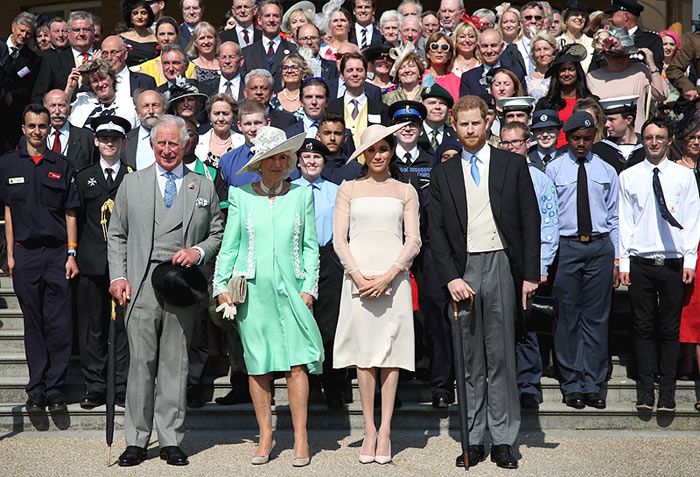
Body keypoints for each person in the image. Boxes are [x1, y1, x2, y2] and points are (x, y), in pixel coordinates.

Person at [428, 95, 540, 469]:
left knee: (502, 357)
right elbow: (437, 232)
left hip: (502, 263)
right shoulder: (443, 173)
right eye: (464, 124)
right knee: (468, 359)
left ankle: (505, 439)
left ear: (488, 122)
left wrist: (528, 275)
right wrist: (451, 278)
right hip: (463, 270)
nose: (470, 130)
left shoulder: (511, 164)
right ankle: (473, 439)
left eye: (476, 123)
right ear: (454, 127)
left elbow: (530, 220)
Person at [108, 114, 223, 467]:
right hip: (141, 284)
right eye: (162, 143)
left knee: (176, 363)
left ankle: (171, 439)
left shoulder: (201, 186)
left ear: (186, 144)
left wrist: (198, 251)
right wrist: (117, 277)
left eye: (175, 143)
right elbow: (117, 234)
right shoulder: (132, 184)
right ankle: (137, 440)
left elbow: (217, 233)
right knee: (141, 364)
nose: (168, 150)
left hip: (182, 286)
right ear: (152, 144)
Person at [214, 127, 322, 467]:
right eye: (270, 158)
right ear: (258, 164)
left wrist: (309, 287)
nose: (277, 164)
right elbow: (229, 245)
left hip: (293, 288)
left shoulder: (301, 195)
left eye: (282, 157)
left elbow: (309, 247)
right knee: (258, 366)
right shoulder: (241, 195)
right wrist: (220, 288)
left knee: (296, 363)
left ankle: (301, 435)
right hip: (253, 292)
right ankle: (265, 435)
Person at [333, 122, 421, 465]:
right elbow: (340, 239)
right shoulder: (348, 189)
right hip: (356, 279)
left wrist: (388, 276)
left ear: (392, 151)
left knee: (392, 354)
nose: (378, 155)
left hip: (394, 280)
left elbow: (413, 239)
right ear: (363, 155)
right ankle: (368, 428)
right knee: (364, 355)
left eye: (384, 148)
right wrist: (357, 275)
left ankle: (386, 430)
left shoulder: (405, 190)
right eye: (372, 150)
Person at [0, 103, 79, 414]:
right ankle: (36, 389)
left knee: (59, 323)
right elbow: (7, 211)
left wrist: (72, 253)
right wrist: (9, 255)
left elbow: (70, 212)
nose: (36, 131)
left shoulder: (61, 164)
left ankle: (55, 387)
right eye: (31, 126)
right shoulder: (7, 164)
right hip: (25, 254)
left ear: (49, 129)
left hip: (58, 254)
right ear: (23, 128)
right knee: (33, 324)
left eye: (42, 126)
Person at [618, 115, 700, 412]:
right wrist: (624, 261)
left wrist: (689, 258)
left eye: (659, 137)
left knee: (668, 328)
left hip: (672, 261)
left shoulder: (682, 176)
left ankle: (667, 391)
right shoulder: (629, 176)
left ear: (668, 141)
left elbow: (692, 220)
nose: (654, 142)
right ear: (643, 140)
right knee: (641, 327)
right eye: (649, 137)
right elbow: (624, 221)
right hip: (640, 260)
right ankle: (645, 390)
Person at [545, 111, 619, 410]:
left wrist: (616, 260)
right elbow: (549, 216)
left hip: (599, 246)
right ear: (568, 137)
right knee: (568, 316)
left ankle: (594, 382)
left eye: (587, 139)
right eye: (576, 138)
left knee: (597, 317)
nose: (581, 144)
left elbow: (614, 217)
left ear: (594, 138)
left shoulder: (606, 170)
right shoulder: (555, 169)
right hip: (568, 246)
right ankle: (572, 381)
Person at [499, 120, 559, 411]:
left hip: (528, 264)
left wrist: (540, 268)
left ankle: (527, 386)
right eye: (506, 142)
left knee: (527, 326)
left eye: (516, 142)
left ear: (527, 144)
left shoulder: (541, 180)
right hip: (498, 261)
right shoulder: (492, 176)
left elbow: (549, 226)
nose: (511, 147)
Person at [74, 115, 133, 410]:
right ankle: (95, 386)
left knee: (123, 328)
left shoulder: (133, 177)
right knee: (92, 326)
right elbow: (77, 219)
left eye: (115, 139)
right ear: (96, 141)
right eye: (104, 138)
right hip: (92, 263)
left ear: (123, 142)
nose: (109, 143)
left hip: (124, 264)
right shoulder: (84, 177)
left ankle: (120, 386)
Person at [291, 138, 347, 409]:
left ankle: (335, 386)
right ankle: (309, 386)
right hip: (298, 259)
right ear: (299, 161)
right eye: (307, 157)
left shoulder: (336, 191)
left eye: (317, 158)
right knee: (303, 323)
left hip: (329, 257)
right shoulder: (289, 191)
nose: (311, 162)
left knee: (330, 325)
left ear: (324, 162)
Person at [587, 27, 668, 133]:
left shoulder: (640, 71)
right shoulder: (592, 77)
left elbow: (661, 95)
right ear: (604, 56)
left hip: (636, 137)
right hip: (604, 138)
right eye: (615, 56)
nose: (620, 59)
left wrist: (651, 64)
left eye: (625, 55)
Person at [674, 113, 700, 411]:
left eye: (699, 137)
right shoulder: (676, 171)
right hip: (683, 245)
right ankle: (683, 366)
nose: (695, 142)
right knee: (688, 312)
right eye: (691, 137)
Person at [31, 10, 96, 103]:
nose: (81, 34)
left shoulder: (105, 55)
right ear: (68, 34)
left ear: (93, 32)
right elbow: (38, 98)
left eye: (86, 30)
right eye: (76, 30)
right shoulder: (52, 61)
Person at [536, 43, 592, 148]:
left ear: (578, 72)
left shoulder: (590, 101)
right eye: (562, 70)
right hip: (554, 153)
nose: (566, 74)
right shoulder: (545, 103)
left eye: (571, 69)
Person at [329, 52, 389, 150]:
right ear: (342, 76)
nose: (355, 74)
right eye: (350, 70)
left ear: (366, 74)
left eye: (359, 70)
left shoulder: (381, 109)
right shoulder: (332, 107)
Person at [240, 0, 298, 92]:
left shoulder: (294, 50)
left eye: (275, 16)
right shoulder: (246, 53)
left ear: (281, 20)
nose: (271, 20)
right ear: (259, 20)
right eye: (267, 16)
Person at [3, 12, 40, 151]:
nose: (24, 36)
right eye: (22, 30)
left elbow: (29, 87)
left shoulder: (33, 59)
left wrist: (12, 94)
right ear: (13, 26)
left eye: (29, 33)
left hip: (12, 116)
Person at [66, 59, 138, 128]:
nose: (100, 84)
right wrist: (70, 88)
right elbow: (61, 111)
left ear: (112, 78)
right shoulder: (82, 100)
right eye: (95, 81)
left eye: (103, 78)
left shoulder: (129, 103)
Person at [459, 29, 527, 98]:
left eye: (493, 46)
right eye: (484, 46)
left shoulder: (516, 74)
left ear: (502, 47)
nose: (489, 51)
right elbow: (465, 106)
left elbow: (523, 102)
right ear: (478, 48)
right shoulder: (468, 78)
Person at [134, 18, 197, 86]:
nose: (166, 38)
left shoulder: (190, 66)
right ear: (156, 37)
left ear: (178, 36)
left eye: (170, 34)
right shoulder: (146, 68)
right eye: (162, 34)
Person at [606, 0, 663, 72]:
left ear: (626, 16)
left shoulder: (652, 40)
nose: (609, 19)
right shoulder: (606, 40)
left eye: (612, 15)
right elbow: (593, 69)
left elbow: (655, 72)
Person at [389, 100, 434, 190]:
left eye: (413, 124)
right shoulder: (387, 160)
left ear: (421, 130)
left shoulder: (432, 161)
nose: (408, 129)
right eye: (402, 125)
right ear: (393, 130)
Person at [593, 95, 645, 174]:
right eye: (606, 120)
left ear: (629, 120)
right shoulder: (598, 150)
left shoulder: (646, 148)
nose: (606, 124)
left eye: (611, 120)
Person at [194, 93, 245, 167]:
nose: (221, 119)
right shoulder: (198, 142)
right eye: (217, 113)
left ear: (233, 116)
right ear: (210, 116)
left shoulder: (242, 142)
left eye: (225, 114)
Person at [121, 89, 165, 170]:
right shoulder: (126, 140)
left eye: (155, 105)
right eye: (146, 106)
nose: (151, 111)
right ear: (137, 111)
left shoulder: (175, 135)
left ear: (164, 108)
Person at [317, 113, 363, 184]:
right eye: (327, 133)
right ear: (318, 137)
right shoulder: (310, 168)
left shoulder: (357, 170)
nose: (332, 138)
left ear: (345, 138)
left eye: (337, 134)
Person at [270, 53, 312, 119]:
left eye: (294, 67)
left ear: (303, 73)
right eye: (285, 68)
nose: (289, 71)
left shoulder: (310, 99)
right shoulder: (272, 100)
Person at [419, 83, 457, 155]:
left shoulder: (455, 136)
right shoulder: (412, 134)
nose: (437, 107)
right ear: (422, 106)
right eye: (432, 103)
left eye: (442, 103)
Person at [423, 32, 460, 102]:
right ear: (428, 54)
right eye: (434, 47)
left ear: (449, 55)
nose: (439, 51)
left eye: (444, 47)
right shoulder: (419, 77)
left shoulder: (457, 81)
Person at [557, 0, 594, 72]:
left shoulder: (592, 43)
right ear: (565, 19)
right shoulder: (556, 43)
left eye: (583, 15)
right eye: (576, 14)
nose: (580, 17)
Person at [120, 0, 159, 68]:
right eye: (135, 13)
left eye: (143, 13)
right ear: (130, 17)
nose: (139, 17)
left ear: (149, 16)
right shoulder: (121, 39)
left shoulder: (157, 40)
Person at [515, 2, 546, 75]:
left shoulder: (552, 47)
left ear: (543, 21)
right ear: (521, 22)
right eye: (528, 18)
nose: (533, 21)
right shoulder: (514, 49)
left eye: (538, 18)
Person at [527, 31, 558, 102]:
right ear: (533, 54)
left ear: (553, 51)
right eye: (538, 50)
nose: (542, 54)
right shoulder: (527, 80)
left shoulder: (559, 76)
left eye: (546, 49)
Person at [659, 30, 682, 103]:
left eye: (672, 44)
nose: (668, 47)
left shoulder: (681, 66)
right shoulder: (652, 65)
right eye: (665, 44)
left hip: (676, 106)